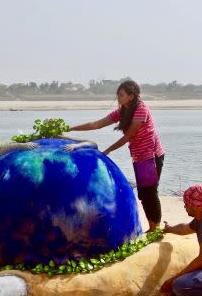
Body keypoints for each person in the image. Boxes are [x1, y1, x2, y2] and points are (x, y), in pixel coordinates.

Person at [67, 80, 166, 231]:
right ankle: (152, 228)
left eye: (121, 95)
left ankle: (156, 228)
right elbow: (96, 124)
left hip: (151, 155)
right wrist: (70, 129)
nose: (118, 98)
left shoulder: (141, 109)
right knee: (143, 193)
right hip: (139, 156)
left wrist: (108, 150)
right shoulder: (122, 111)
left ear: (131, 96)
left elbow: (129, 135)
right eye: (118, 95)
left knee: (150, 192)